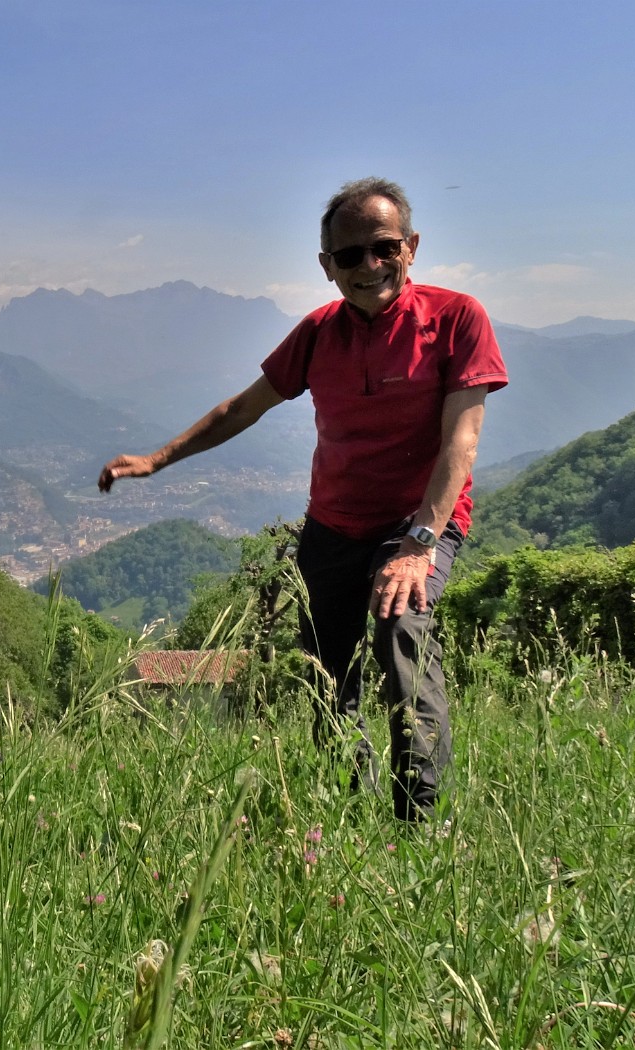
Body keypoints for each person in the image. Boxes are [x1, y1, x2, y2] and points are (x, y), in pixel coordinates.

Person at [99, 177, 508, 822]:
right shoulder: (319, 333)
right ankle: (348, 814)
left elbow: (463, 442)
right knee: (328, 677)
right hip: (332, 529)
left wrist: (419, 544)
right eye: (349, 256)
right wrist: (158, 459)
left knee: (402, 636)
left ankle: (417, 823)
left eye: (384, 247)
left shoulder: (457, 318)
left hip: (416, 525)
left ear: (412, 247)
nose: (369, 265)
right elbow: (243, 407)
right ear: (327, 268)